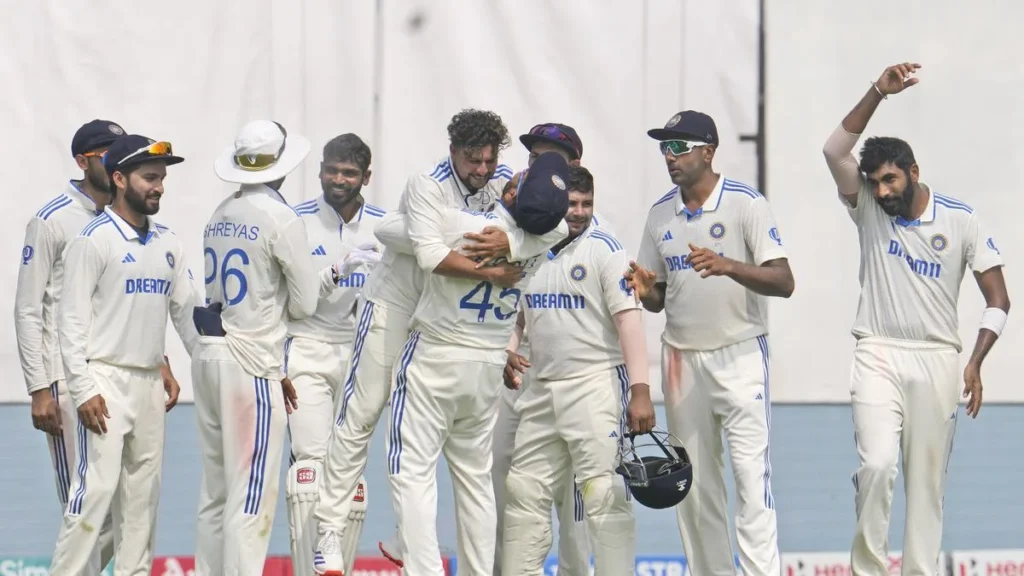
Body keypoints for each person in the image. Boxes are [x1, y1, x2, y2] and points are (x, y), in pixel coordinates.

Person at [315, 109, 535, 574]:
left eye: (488, 161)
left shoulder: (498, 187)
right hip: (394, 304)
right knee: (363, 413)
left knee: (428, 441)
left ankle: (405, 538)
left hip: (439, 318)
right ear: (453, 151)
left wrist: (502, 344)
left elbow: (403, 233)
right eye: (472, 160)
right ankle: (329, 530)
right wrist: (491, 266)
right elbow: (411, 242)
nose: (481, 170)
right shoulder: (429, 183)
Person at [822, 62, 1010, 576]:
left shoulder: (960, 219)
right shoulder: (864, 206)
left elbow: (999, 299)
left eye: (890, 180)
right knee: (877, 465)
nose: (882, 192)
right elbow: (834, 151)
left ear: (913, 172)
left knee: (926, 487)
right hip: (877, 350)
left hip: (938, 359)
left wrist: (973, 363)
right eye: (875, 183)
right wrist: (877, 92)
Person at [373, 151, 571, 576]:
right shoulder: (543, 240)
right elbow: (557, 227)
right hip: (485, 365)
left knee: (412, 473)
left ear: (514, 190)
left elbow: (385, 229)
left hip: (436, 355)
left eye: (516, 175)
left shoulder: (458, 225)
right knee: (475, 483)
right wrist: (518, 242)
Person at [625, 110, 795, 576]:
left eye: (679, 147)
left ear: (708, 151)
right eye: (664, 147)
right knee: (694, 486)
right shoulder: (661, 213)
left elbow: (784, 282)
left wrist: (729, 266)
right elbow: (659, 298)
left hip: (740, 354)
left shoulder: (747, 204)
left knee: (749, 478)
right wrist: (646, 290)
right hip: (682, 359)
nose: (669, 156)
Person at [194, 119, 340, 576]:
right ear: (280, 164)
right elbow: (304, 305)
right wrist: (329, 276)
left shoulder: (220, 213)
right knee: (251, 495)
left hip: (210, 352)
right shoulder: (281, 217)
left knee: (215, 493)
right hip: (252, 361)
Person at [47, 134, 199, 575]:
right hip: (105, 382)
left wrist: (205, 367)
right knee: (93, 496)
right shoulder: (93, 240)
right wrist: (84, 388)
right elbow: (71, 325)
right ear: (118, 178)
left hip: (148, 384)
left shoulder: (168, 242)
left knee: (141, 501)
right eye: (150, 177)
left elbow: (186, 314)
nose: (159, 187)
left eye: (162, 178)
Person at [501, 164, 656, 575]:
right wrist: (508, 350)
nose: (579, 212)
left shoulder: (606, 249)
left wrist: (640, 390)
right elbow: (517, 317)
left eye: (587, 203)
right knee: (523, 492)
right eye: (571, 203)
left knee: (604, 495)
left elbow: (629, 321)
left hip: (595, 385)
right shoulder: (529, 246)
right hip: (541, 387)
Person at [15, 119, 123, 575]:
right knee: (83, 506)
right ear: (83, 161)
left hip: (117, 375)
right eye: (106, 153)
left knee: (123, 508)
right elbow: (28, 309)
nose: (116, 161)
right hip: (67, 380)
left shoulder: (125, 215)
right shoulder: (52, 218)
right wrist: (41, 388)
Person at [490, 122, 596, 576]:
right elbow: (511, 310)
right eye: (536, 156)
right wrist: (506, 348)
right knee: (507, 492)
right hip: (519, 381)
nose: (541, 164)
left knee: (575, 505)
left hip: (572, 386)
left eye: (554, 156)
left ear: (573, 167)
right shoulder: (509, 220)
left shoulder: (594, 238)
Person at [285, 133, 385, 576]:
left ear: (366, 177)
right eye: (330, 170)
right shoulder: (295, 221)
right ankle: (317, 556)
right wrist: (334, 271)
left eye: (348, 173)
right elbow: (289, 298)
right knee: (311, 457)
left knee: (349, 463)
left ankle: (334, 553)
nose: (337, 179)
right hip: (305, 345)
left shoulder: (387, 225)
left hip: (362, 351)